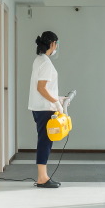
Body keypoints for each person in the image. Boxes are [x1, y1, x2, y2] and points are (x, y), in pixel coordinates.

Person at [28, 31, 65, 188]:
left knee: (44, 140)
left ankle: (42, 176)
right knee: (45, 142)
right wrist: (56, 103)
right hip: (45, 109)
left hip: (40, 107)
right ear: (52, 44)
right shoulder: (46, 63)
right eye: (56, 43)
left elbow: (45, 88)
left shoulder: (39, 60)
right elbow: (41, 88)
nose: (56, 47)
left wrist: (58, 98)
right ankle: (42, 178)